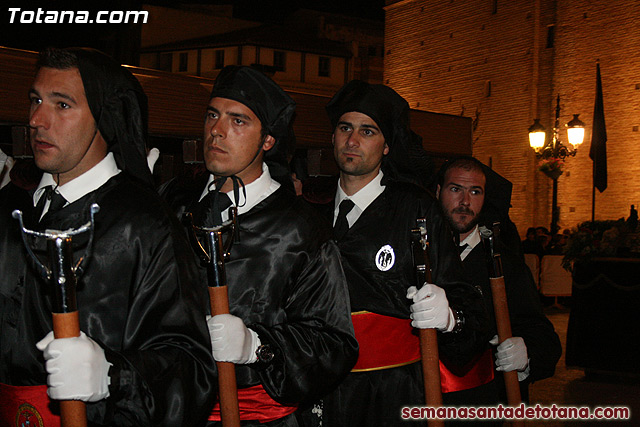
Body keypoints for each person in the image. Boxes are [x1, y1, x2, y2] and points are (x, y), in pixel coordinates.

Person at [0, 47, 216, 426]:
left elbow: (191, 368)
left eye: (62, 105)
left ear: (104, 116)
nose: (36, 119)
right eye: (35, 99)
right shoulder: (9, 212)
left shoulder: (146, 225)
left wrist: (114, 375)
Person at [160, 65, 358, 427]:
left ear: (268, 140)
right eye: (212, 116)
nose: (217, 131)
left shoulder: (299, 229)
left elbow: (334, 343)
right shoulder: (174, 209)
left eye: (238, 121)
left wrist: (257, 345)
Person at [317, 80, 488, 426]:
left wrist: (450, 317)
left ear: (387, 146)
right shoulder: (308, 209)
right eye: (344, 128)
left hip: (390, 397)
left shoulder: (416, 210)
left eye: (367, 131)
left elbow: (471, 312)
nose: (352, 141)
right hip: (318, 388)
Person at [436, 156, 561, 408]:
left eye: (475, 191)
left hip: (481, 406)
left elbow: (543, 337)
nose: (465, 201)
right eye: (455, 189)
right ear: (438, 192)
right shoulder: (420, 256)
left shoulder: (506, 264)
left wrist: (526, 354)